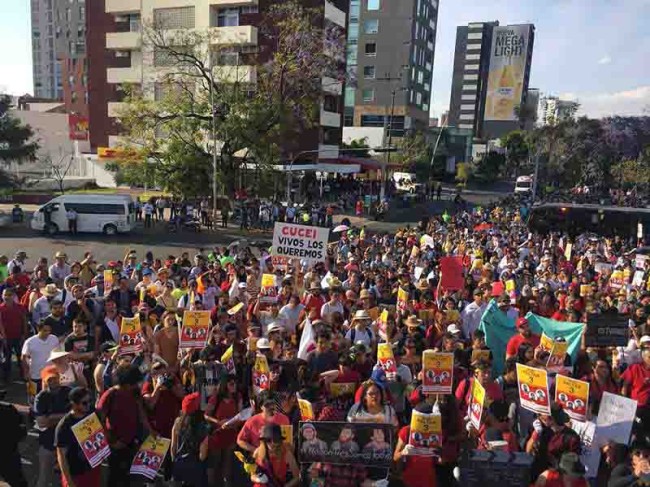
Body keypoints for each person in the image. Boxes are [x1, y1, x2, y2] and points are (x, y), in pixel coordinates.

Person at [97, 364, 154, 487]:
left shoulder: (135, 393)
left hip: (133, 444)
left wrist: (151, 432)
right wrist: (111, 442)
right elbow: (99, 422)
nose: (136, 385)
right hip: (115, 447)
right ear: (126, 382)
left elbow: (141, 414)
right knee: (115, 479)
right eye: (133, 383)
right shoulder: (110, 395)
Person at [55, 387, 102, 487]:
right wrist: (69, 482)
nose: (88, 405)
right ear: (73, 404)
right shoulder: (64, 426)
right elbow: (61, 457)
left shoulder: (92, 413)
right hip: (75, 474)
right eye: (84, 403)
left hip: (92, 468)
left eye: (90, 401)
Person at [33, 365, 71, 487]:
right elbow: (41, 422)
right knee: (43, 477)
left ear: (59, 377)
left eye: (55, 378)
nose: (53, 381)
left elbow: (78, 415)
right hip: (47, 444)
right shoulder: (41, 397)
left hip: (67, 444)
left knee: (68, 478)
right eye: (49, 379)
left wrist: (51, 418)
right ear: (45, 381)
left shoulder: (69, 392)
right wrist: (66, 417)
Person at [171, 392, 209, 487]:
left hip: (179, 464)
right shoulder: (203, 427)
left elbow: (173, 446)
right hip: (195, 466)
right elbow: (202, 455)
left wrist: (175, 461)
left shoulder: (177, 422)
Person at [21, 321, 60, 393]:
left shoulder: (54, 339)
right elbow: (23, 357)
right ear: (38, 329)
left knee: (50, 397)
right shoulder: (29, 342)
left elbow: (57, 355)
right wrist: (26, 372)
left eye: (49, 330)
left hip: (50, 375)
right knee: (32, 396)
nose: (47, 333)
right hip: (34, 375)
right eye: (45, 330)